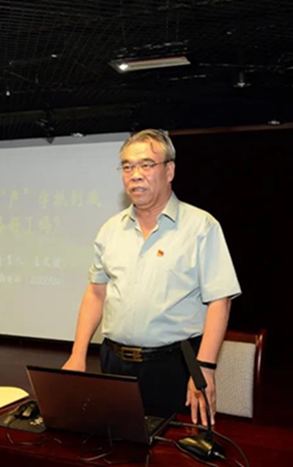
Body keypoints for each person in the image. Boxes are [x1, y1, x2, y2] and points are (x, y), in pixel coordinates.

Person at [62, 129, 240, 426]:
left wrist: (205, 367)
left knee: (175, 446)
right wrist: (78, 354)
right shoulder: (110, 230)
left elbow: (220, 301)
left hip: (175, 365)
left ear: (169, 171)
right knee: (115, 441)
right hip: (114, 363)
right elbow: (96, 292)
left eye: (146, 165)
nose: (135, 175)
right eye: (127, 167)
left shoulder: (201, 227)